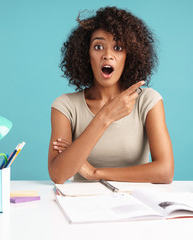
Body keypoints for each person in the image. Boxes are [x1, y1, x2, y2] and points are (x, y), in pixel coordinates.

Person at [48, 6, 174, 184]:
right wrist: (104, 117)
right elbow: (58, 175)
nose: (107, 55)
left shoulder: (148, 101)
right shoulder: (65, 106)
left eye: (118, 47)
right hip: (82, 205)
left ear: (129, 55)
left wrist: (95, 173)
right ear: (86, 54)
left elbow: (165, 172)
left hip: (136, 203)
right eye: (98, 47)